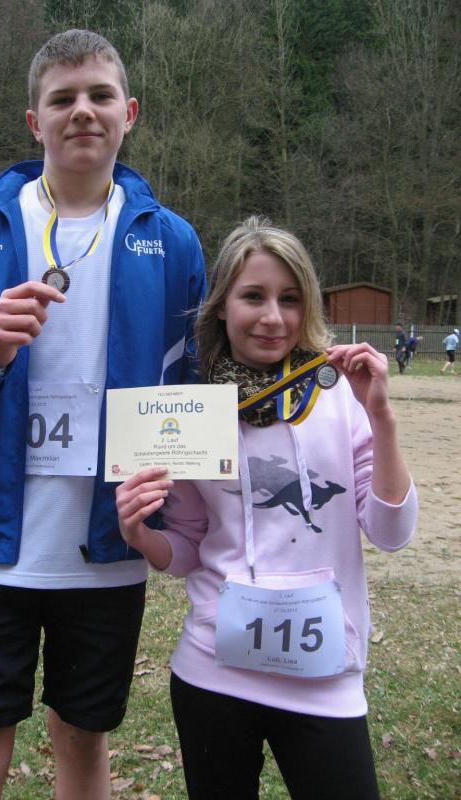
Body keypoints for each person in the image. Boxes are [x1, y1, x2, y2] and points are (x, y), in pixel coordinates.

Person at [0, 29, 206, 800]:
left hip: (106, 550)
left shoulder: (172, 242)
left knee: (83, 743)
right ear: (35, 121)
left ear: (129, 112)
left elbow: (197, 386)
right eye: (62, 99)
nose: (82, 111)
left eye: (99, 95)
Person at [117, 217, 417, 800]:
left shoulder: (338, 395)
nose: (273, 317)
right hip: (214, 672)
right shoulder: (193, 412)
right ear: (221, 307)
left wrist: (381, 418)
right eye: (253, 296)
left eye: (290, 298)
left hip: (324, 677)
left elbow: (391, 532)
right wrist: (140, 535)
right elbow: (187, 547)